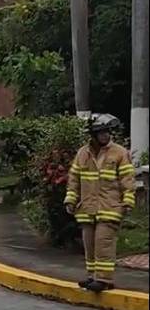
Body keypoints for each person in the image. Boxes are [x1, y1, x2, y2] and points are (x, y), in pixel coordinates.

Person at [64, 114, 135, 293]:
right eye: (101, 132)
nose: (105, 135)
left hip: (110, 207)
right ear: (94, 135)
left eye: (107, 132)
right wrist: (71, 199)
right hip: (87, 207)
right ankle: (92, 276)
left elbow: (127, 178)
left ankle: (104, 279)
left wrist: (127, 201)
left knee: (103, 243)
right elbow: (74, 179)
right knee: (90, 244)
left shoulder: (119, 153)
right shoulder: (83, 153)